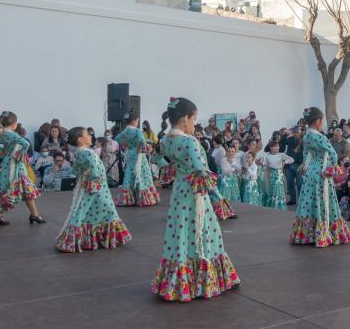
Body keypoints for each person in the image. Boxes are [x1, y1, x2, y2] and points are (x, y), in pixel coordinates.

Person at [152, 97, 240, 301]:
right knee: (205, 232)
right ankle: (202, 281)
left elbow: (156, 160)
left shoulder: (165, 141)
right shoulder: (189, 141)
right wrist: (218, 197)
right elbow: (202, 169)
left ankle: (177, 282)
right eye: (193, 120)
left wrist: (175, 169)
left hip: (179, 193)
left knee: (180, 232)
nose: (194, 124)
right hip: (195, 194)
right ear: (184, 119)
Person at [55, 127, 131, 253]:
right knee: (105, 211)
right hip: (97, 189)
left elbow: (75, 170)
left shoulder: (80, 152)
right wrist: (92, 179)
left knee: (84, 211)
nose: (90, 136)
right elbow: (95, 171)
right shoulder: (87, 153)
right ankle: (79, 240)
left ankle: (74, 238)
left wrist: (85, 177)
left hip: (90, 187)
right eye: (87, 134)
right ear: (80, 140)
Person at [291, 107, 350, 247]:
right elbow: (334, 155)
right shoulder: (320, 137)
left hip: (310, 173)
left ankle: (307, 234)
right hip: (321, 173)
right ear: (318, 121)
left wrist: (305, 168)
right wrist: (329, 170)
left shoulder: (306, 135)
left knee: (309, 202)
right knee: (323, 202)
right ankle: (323, 233)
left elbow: (306, 155)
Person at [0, 111, 46, 226]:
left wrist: (10, 153)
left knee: (24, 188)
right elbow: (25, 143)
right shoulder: (10, 133)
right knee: (14, 188)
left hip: (12, 163)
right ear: (14, 123)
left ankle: (34, 215)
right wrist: (22, 154)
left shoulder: (4, 132)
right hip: (14, 165)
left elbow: (8, 147)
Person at [114, 114, 160, 207]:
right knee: (142, 174)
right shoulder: (137, 131)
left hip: (130, 155)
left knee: (129, 173)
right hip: (139, 156)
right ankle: (142, 198)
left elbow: (117, 139)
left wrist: (126, 144)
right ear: (135, 121)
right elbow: (142, 143)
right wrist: (148, 147)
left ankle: (128, 199)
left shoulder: (125, 132)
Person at [263, 142, 295, 210]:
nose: (277, 147)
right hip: (272, 175)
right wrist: (266, 166)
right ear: (271, 148)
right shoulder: (267, 155)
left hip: (279, 175)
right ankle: (273, 206)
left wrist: (285, 162)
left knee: (279, 190)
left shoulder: (281, 155)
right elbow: (265, 166)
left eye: (278, 146)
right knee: (273, 190)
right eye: (275, 146)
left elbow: (292, 160)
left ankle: (280, 207)